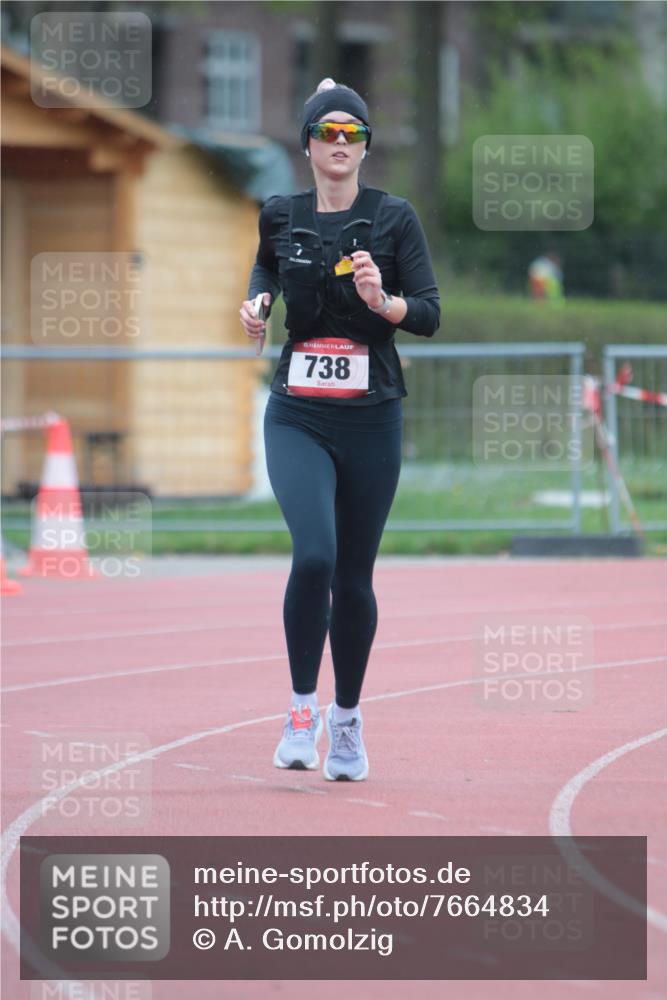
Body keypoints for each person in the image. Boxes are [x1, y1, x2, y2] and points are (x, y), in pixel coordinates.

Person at [239, 78, 440, 781]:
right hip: (297, 409)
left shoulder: (393, 218)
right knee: (314, 556)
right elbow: (265, 262)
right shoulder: (280, 213)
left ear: (364, 146)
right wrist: (256, 300)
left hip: (371, 414)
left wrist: (381, 300)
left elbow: (428, 312)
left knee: (353, 576)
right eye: (326, 132)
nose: (338, 144)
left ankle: (345, 721)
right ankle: (300, 710)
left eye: (351, 134)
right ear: (306, 144)